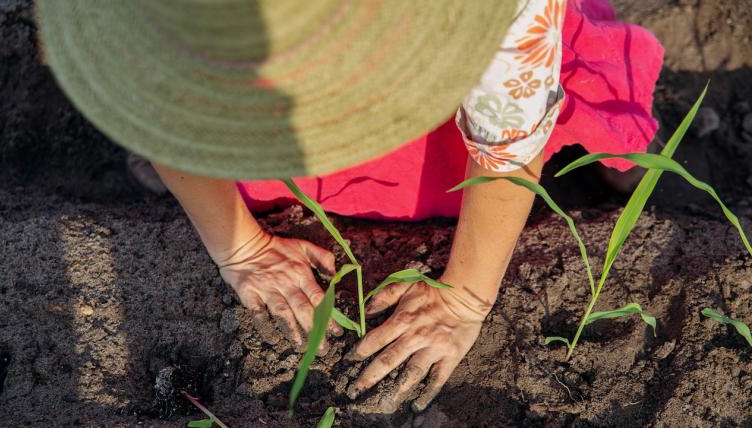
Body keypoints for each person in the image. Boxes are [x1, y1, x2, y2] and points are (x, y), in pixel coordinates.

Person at [38, 0, 663, 414]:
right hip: (265, 100)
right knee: (194, 156)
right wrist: (240, 247)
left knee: (574, 118)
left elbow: (509, 135)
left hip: (450, 100)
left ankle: (615, 158)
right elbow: (157, 98)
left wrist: (466, 296)